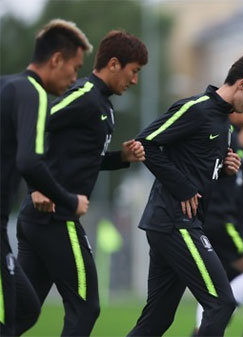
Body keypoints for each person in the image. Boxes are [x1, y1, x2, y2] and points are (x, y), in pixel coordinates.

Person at [127, 52, 243, 337]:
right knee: (221, 303)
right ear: (242, 84)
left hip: (177, 224)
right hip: (176, 223)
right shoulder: (196, 109)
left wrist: (224, 168)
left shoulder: (223, 122)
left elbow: (196, 164)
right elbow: (145, 143)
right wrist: (183, 188)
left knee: (157, 320)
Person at [16, 30, 147, 336]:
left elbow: (83, 161)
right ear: (114, 64)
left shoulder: (103, 105)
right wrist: (35, 187)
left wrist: (121, 158)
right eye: (134, 72)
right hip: (56, 219)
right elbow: (33, 124)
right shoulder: (85, 95)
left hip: (41, 221)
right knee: (86, 308)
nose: (135, 80)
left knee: (23, 312)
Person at [0, 19, 92, 336]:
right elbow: (30, 159)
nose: (75, 78)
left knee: (23, 310)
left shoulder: (6, 86)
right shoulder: (34, 93)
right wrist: (68, 200)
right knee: (19, 312)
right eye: (75, 67)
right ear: (56, 60)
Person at [193, 108, 243, 335]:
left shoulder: (238, 147)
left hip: (223, 224)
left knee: (219, 284)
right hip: (222, 224)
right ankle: (211, 321)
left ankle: (204, 326)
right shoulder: (227, 137)